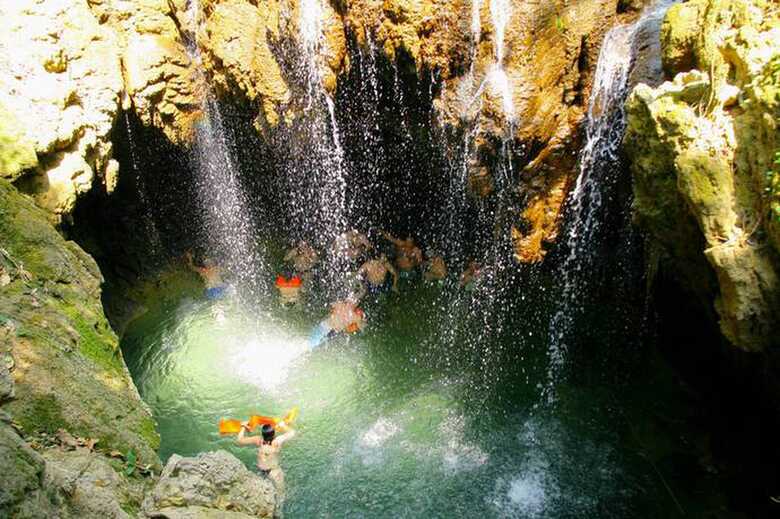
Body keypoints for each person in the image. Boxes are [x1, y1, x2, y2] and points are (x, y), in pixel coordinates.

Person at [236, 420, 296, 496]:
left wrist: (243, 427)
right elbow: (292, 432)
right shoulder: (277, 441)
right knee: (281, 494)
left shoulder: (258, 440)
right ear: (274, 434)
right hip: (274, 472)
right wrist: (283, 425)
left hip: (260, 470)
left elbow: (239, 440)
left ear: (263, 434)